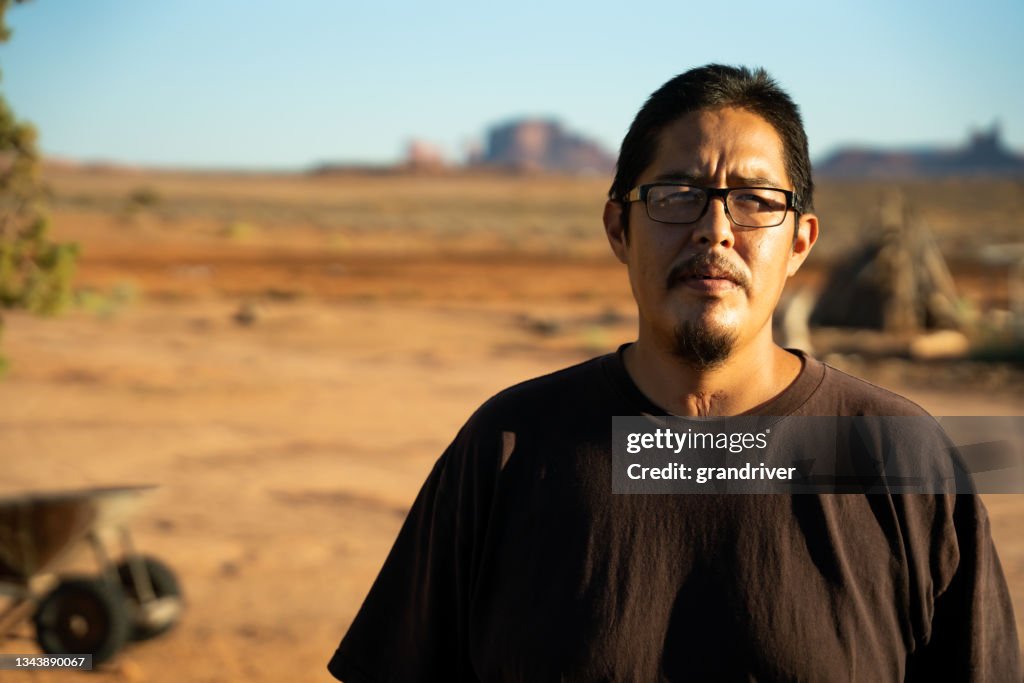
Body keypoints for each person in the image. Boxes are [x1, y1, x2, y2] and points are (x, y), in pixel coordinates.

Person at [328, 65, 1021, 681]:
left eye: (754, 199)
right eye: (676, 193)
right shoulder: (510, 449)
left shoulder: (901, 459)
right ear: (617, 228)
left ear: (801, 241)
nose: (714, 228)